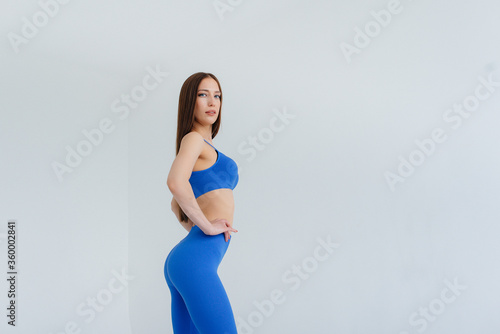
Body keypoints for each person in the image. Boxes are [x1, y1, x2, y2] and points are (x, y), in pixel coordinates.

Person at [164, 72, 239, 334]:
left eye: (217, 95)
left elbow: (176, 205)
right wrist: (206, 227)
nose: (212, 102)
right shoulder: (193, 140)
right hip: (194, 262)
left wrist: (199, 227)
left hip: (187, 258)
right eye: (203, 94)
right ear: (190, 102)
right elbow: (175, 183)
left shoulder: (202, 146)